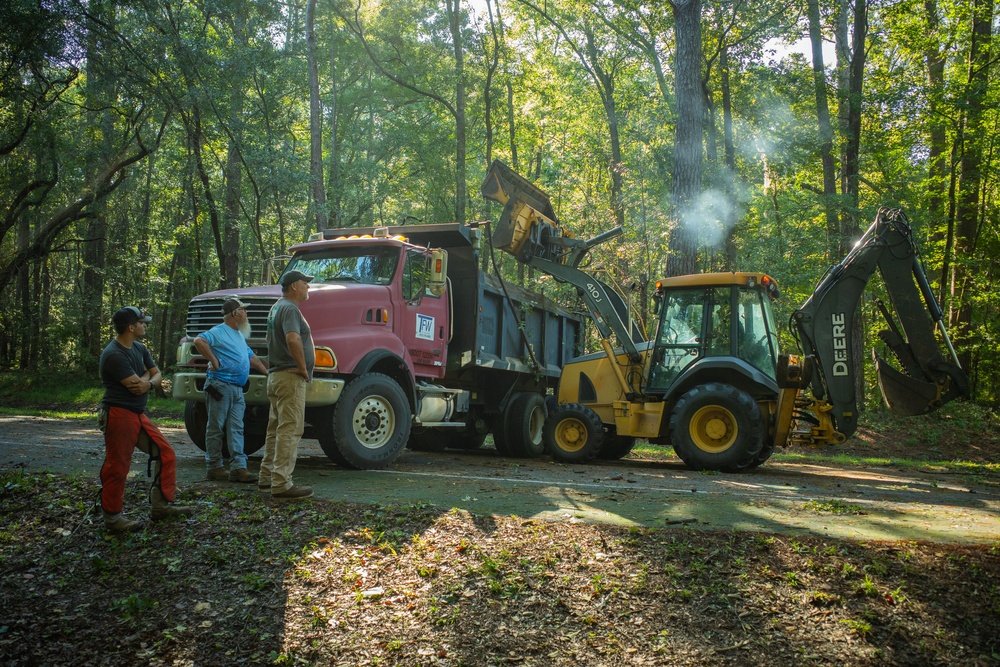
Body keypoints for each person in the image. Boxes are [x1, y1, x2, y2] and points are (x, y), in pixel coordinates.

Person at [98, 306, 194, 533]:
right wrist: (148, 379)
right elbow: (137, 388)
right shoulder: (113, 354)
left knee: (166, 453)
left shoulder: (139, 348)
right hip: (118, 413)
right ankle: (112, 519)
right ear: (131, 327)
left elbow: (156, 376)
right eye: (142, 323)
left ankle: (160, 507)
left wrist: (148, 380)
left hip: (137, 414)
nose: (145, 326)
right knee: (118, 466)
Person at [193, 298, 269, 483]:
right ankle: (214, 467)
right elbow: (199, 340)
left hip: (236, 389)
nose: (246, 313)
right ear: (235, 313)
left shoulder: (239, 335)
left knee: (237, 428)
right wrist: (214, 360)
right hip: (220, 386)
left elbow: (252, 358)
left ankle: (238, 468)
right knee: (216, 427)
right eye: (244, 310)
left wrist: (268, 373)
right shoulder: (219, 331)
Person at [258, 270, 316, 500]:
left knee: (275, 430)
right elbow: (292, 339)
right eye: (305, 284)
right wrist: (302, 367)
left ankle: (266, 478)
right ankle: (281, 483)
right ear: (294, 286)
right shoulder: (290, 309)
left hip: (276, 376)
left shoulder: (276, 308)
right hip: (289, 376)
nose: (308, 287)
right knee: (290, 429)